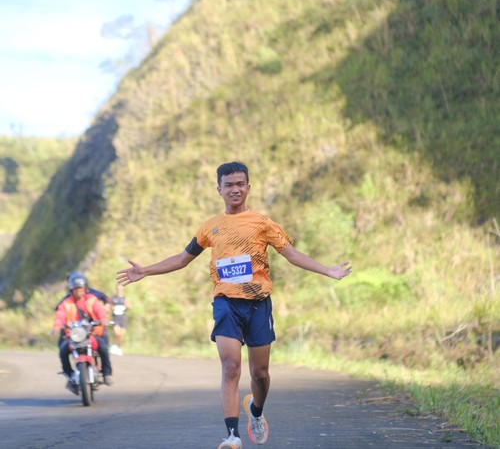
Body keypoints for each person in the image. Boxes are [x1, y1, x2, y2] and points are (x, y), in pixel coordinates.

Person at [116, 161, 352, 448]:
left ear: (248, 187)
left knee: (260, 375)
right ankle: (232, 435)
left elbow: (291, 254)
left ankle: (256, 410)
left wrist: (328, 270)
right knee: (230, 367)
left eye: (240, 184)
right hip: (226, 303)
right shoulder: (210, 227)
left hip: (258, 305)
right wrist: (146, 270)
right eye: (229, 185)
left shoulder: (262, 223)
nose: (235, 189)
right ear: (219, 190)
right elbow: (182, 259)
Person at [53, 272, 113, 393]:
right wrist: (57, 326)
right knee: (63, 351)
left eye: (81, 288)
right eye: (76, 289)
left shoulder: (91, 299)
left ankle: (106, 373)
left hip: (91, 333)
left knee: (103, 348)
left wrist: (102, 319)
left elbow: (99, 310)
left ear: (85, 288)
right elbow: (60, 315)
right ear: (71, 290)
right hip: (73, 335)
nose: (79, 291)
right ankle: (69, 375)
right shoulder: (66, 303)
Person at [110, 283, 130, 356]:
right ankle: (115, 345)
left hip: (122, 317)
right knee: (117, 333)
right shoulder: (114, 298)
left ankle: (119, 347)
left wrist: (126, 306)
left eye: (121, 289)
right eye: (118, 289)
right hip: (116, 317)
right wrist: (113, 308)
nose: (119, 290)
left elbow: (129, 306)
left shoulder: (125, 298)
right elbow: (111, 306)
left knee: (121, 335)